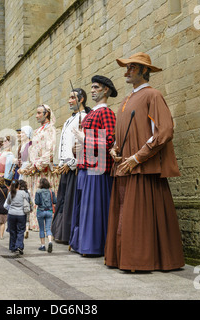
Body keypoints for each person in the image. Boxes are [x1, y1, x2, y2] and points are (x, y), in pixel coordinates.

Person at [104, 52, 185, 271]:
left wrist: (138, 157)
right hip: (124, 168)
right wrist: (114, 150)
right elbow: (122, 133)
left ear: (144, 71)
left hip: (143, 169)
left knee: (138, 217)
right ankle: (123, 258)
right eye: (127, 67)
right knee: (123, 215)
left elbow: (165, 130)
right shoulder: (127, 99)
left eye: (131, 67)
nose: (126, 71)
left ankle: (142, 260)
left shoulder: (153, 95)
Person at [69, 75, 117, 256]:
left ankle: (94, 246)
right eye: (92, 87)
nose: (92, 90)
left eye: (96, 87)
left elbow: (110, 142)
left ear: (106, 90)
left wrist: (85, 139)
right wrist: (77, 148)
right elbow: (87, 143)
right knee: (82, 209)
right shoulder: (91, 114)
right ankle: (81, 243)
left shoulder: (106, 113)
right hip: (84, 167)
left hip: (98, 168)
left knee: (94, 210)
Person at [51, 88, 89, 244]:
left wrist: (71, 164)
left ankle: (67, 235)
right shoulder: (69, 120)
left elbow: (81, 144)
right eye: (69, 97)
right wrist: (61, 163)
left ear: (81, 99)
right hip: (65, 167)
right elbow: (64, 144)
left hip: (74, 168)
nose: (69, 101)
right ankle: (59, 232)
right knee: (62, 200)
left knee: (71, 201)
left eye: (72, 97)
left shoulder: (84, 117)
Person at [19, 105, 58, 232]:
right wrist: (30, 166)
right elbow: (33, 152)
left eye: (39, 113)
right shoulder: (37, 131)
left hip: (44, 171)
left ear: (46, 114)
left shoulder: (51, 129)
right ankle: (35, 223)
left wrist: (37, 165)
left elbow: (50, 151)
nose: (36, 116)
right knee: (35, 197)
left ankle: (47, 225)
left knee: (45, 198)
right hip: (35, 171)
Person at [4, 180, 31, 255]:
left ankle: (13, 246)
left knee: (12, 231)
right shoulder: (23, 193)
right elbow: (28, 201)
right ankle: (19, 245)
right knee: (20, 230)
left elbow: (8, 202)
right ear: (18, 186)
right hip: (21, 214)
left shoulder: (10, 193)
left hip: (12, 214)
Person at [35, 178, 57, 253]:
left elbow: (36, 202)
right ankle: (50, 242)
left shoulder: (38, 191)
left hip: (41, 211)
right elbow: (55, 201)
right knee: (48, 228)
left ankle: (43, 246)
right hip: (49, 211)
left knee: (41, 229)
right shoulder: (51, 191)